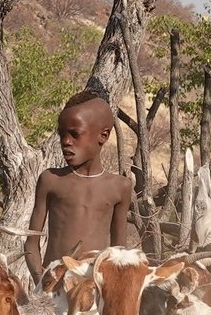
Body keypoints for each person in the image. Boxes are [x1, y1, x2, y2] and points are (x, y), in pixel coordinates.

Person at [25, 84, 136, 281]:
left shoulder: (120, 187)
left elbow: (119, 252)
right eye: (62, 135)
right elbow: (31, 244)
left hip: (93, 290)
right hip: (52, 287)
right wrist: (40, 279)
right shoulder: (51, 180)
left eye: (75, 134)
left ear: (103, 135)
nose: (66, 142)